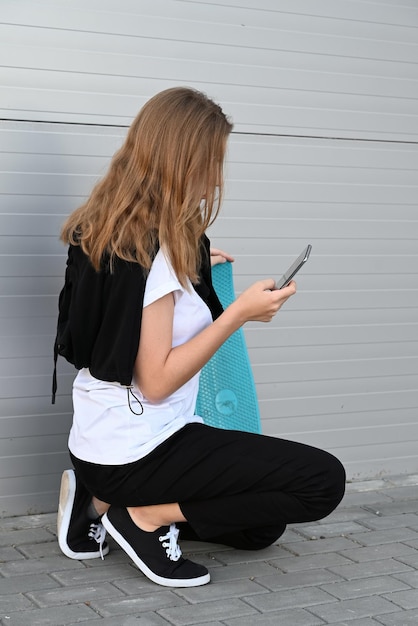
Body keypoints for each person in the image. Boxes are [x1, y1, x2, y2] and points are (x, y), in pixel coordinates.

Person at [54, 86, 345, 588]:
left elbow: (124, 302)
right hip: (141, 450)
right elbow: (157, 381)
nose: (216, 176)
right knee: (321, 482)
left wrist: (191, 273)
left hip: (101, 444)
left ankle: (96, 501)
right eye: (213, 161)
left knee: (260, 527)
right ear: (184, 161)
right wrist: (236, 315)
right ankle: (139, 517)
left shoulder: (108, 233)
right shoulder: (157, 256)